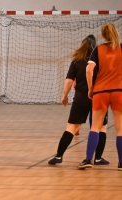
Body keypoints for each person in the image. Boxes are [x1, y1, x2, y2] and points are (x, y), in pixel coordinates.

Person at [48, 35, 109, 165]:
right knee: (101, 128)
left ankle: (59, 156)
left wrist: (65, 96)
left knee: (72, 127)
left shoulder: (76, 61)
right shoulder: (99, 60)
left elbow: (69, 81)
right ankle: (98, 158)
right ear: (94, 47)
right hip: (98, 96)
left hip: (81, 98)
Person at [78, 24, 122, 170]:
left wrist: (91, 89)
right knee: (120, 129)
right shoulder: (121, 48)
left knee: (95, 128)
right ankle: (121, 163)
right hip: (118, 91)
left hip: (101, 91)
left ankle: (88, 160)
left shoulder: (98, 49)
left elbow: (89, 69)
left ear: (102, 36)